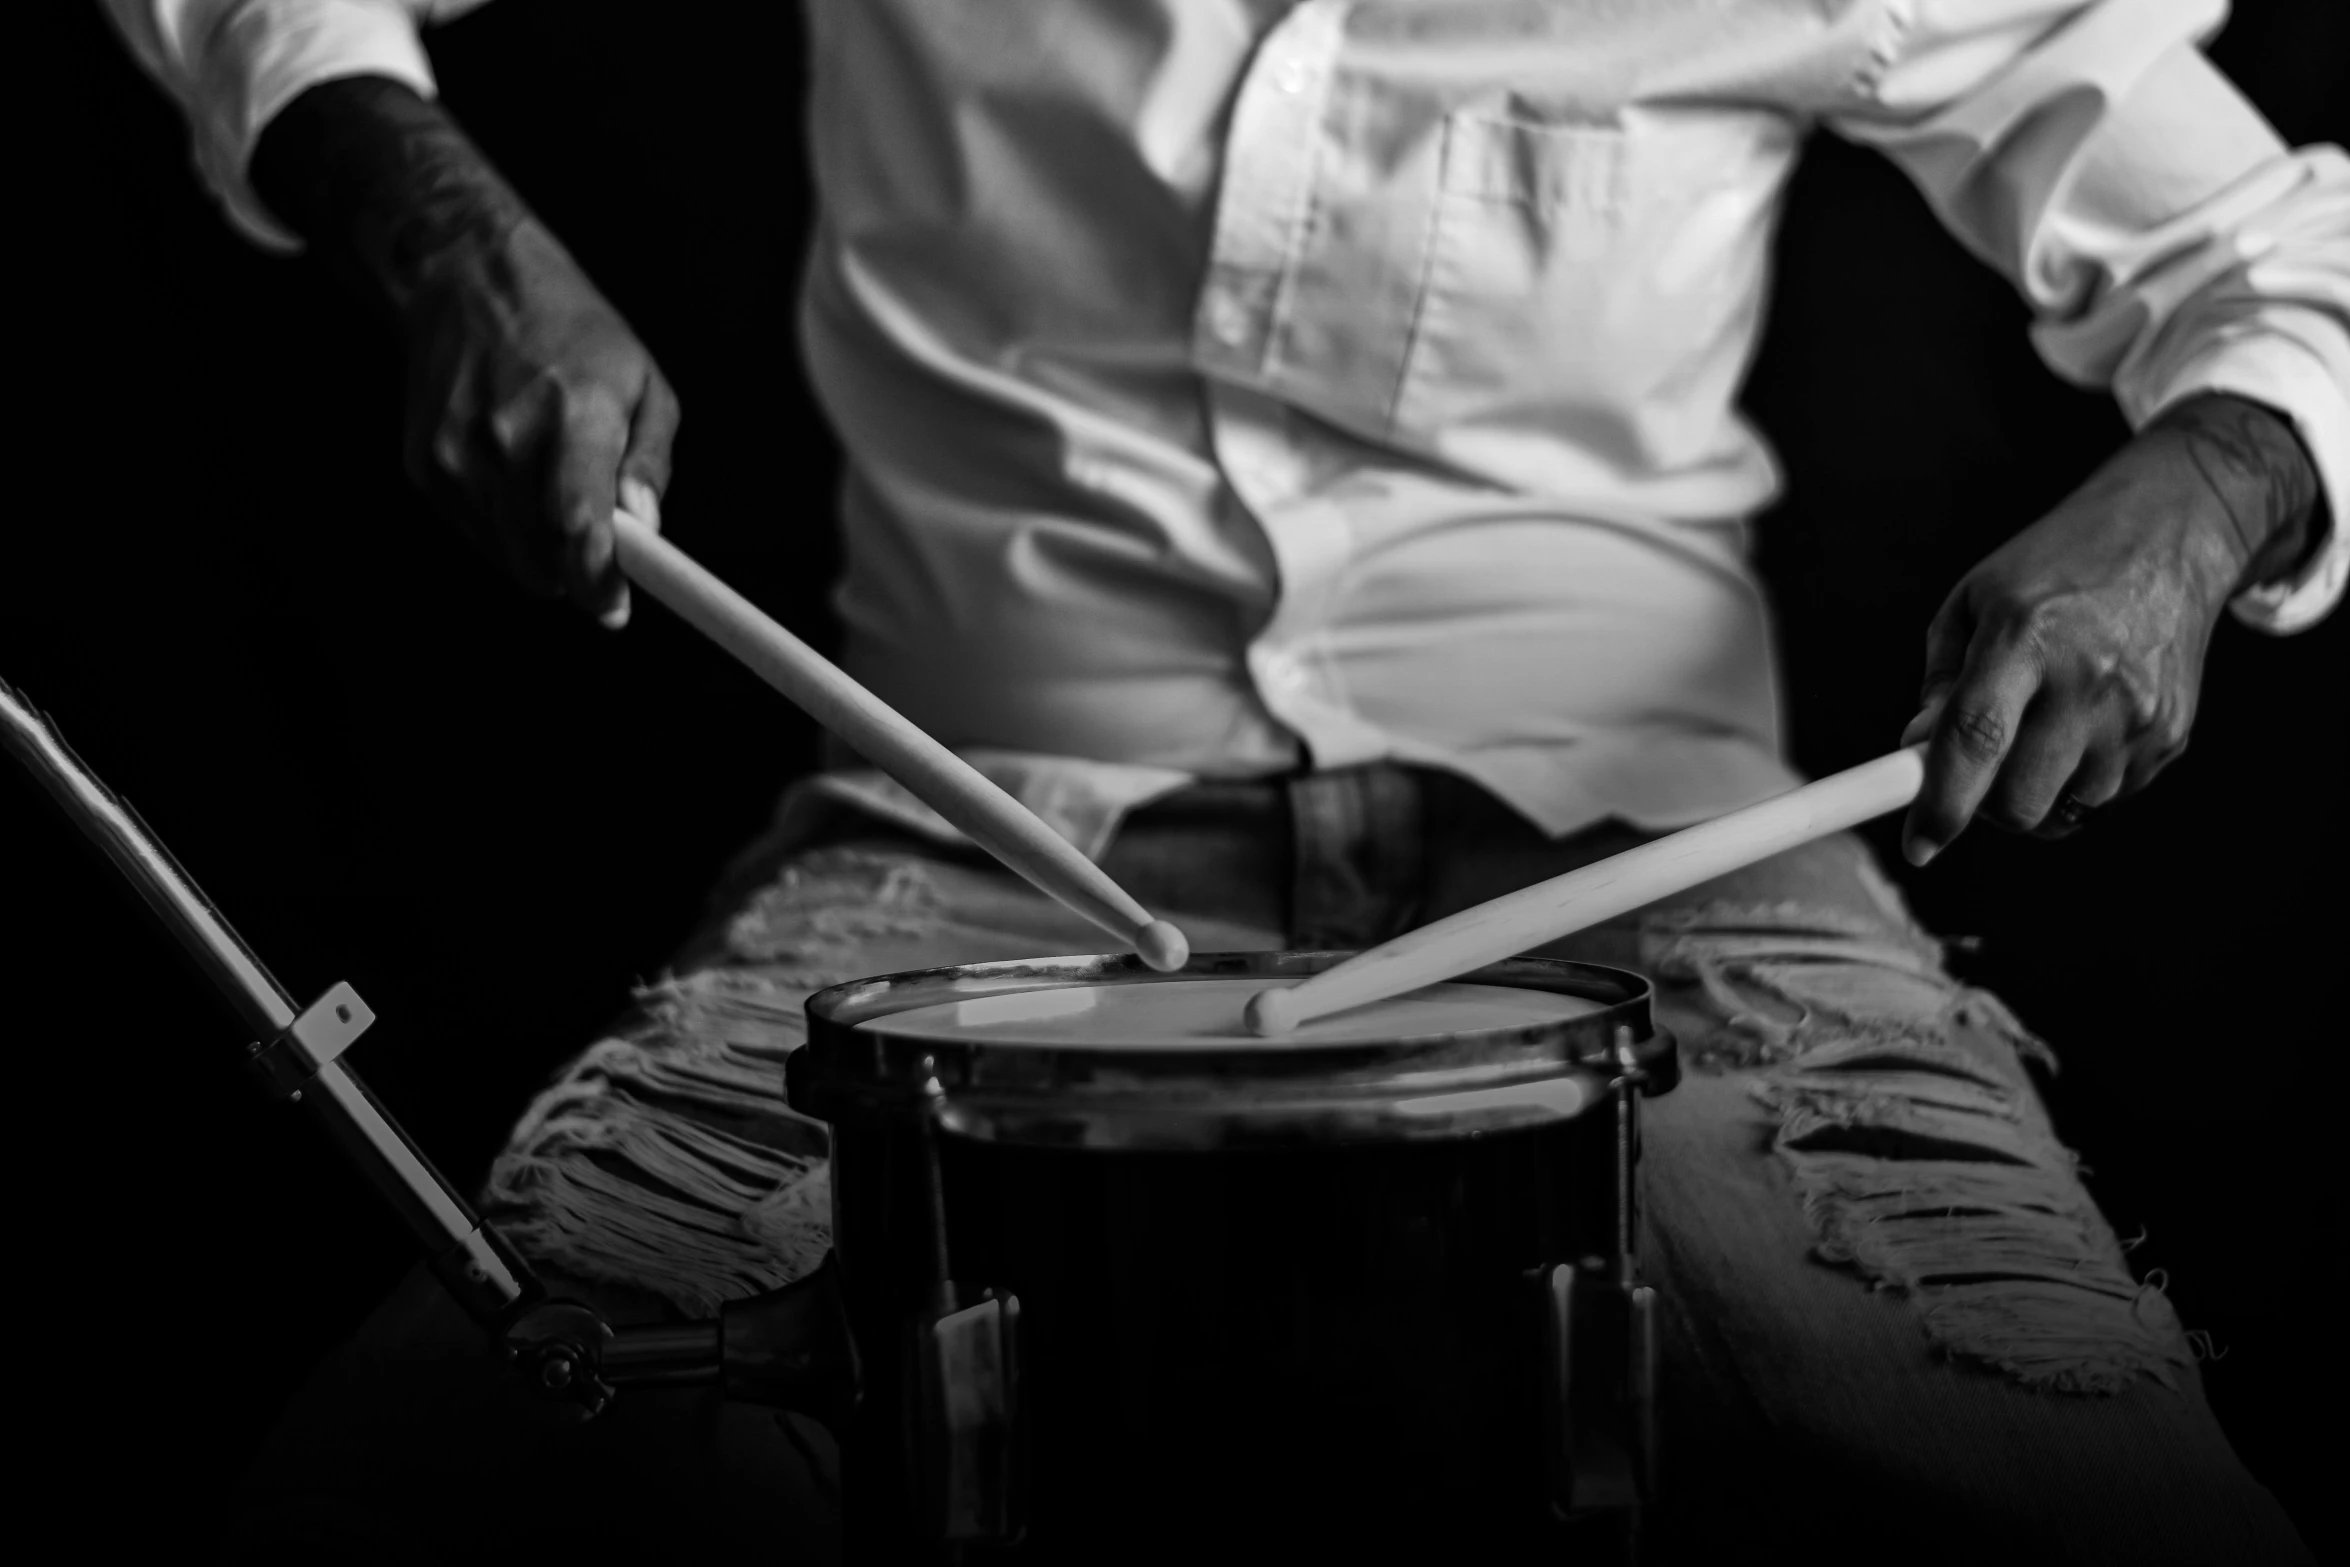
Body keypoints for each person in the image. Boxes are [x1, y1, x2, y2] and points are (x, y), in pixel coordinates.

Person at [103, 0, 2340, 1562]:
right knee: (460, 1494)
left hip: (1653, 859)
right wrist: (444, 231)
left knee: (2059, 1504)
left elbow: (2286, 260)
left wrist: (2207, 485)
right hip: (968, 838)